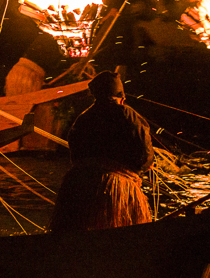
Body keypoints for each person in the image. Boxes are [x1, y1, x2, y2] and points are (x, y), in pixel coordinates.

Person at [48, 70, 155, 232]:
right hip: (117, 187)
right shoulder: (129, 116)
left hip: (77, 185)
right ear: (122, 97)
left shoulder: (83, 118)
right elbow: (144, 157)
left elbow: (75, 155)